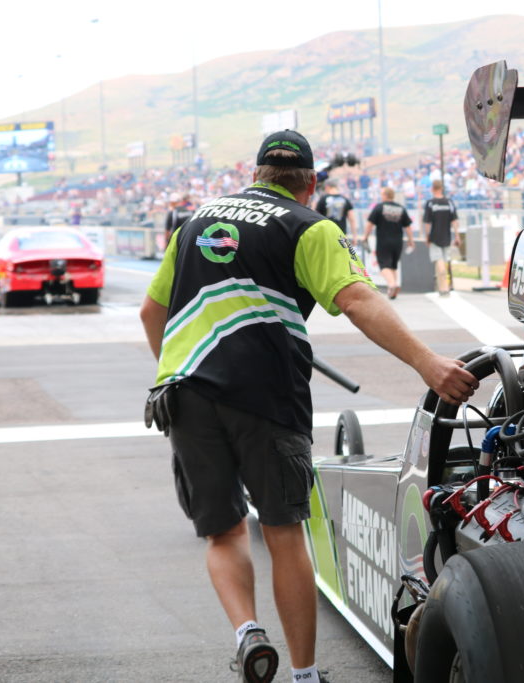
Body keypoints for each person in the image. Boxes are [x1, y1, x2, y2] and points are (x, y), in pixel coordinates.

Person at [139, 130, 477, 683]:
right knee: (283, 529)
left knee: (222, 533)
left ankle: (248, 631)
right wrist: (427, 363)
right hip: (265, 393)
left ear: (257, 174)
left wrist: (174, 371)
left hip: (185, 391)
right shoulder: (309, 227)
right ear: (310, 185)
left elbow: (152, 315)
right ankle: (304, 674)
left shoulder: (195, 221)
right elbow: (359, 300)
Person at [363, 186, 414, 299]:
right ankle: (392, 291)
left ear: (385, 195)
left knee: (384, 265)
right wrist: (411, 241)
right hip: (397, 242)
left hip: (383, 241)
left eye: (382, 194)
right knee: (393, 265)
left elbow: (369, 224)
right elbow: (408, 227)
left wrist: (365, 237)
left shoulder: (379, 207)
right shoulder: (401, 208)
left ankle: (392, 285)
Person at [422, 180, 459, 296]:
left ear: (433, 189)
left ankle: (443, 288)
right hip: (446, 237)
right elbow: (454, 221)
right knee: (444, 261)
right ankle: (443, 286)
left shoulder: (430, 203)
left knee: (439, 262)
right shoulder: (449, 203)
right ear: (442, 188)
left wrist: (427, 236)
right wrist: (457, 235)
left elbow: (427, 223)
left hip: (434, 237)